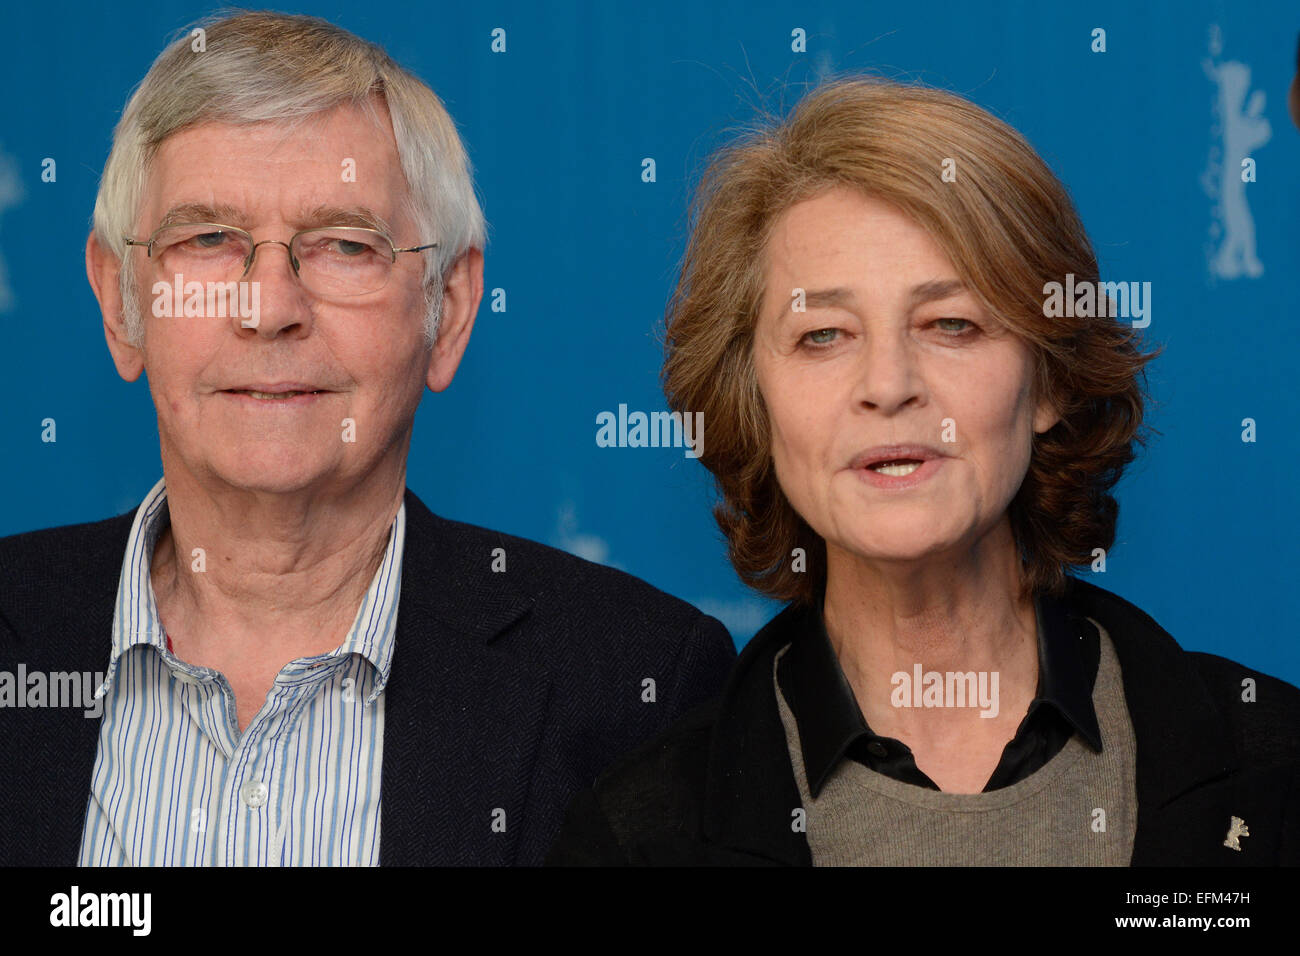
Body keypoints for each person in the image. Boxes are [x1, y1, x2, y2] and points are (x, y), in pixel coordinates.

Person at [0, 11, 734, 867]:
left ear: (448, 310)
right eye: (207, 240)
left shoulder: (632, 684)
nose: (269, 308)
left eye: (344, 245)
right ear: (122, 301)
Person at [548, 75, 1300, 865]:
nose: (888, 385)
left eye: (951, 323)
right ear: (754, 402)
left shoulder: (1274, 772)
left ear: (1047, 378)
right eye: (824, 336)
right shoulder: (636, 837)